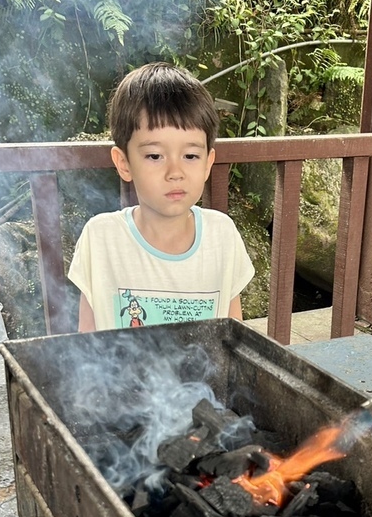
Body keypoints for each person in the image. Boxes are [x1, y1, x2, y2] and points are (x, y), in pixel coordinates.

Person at [68, 62, 254, 332]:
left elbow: (234, 340)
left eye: (190, 156)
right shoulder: (101, 239)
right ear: (124, 163)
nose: (175, 172)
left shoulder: (221, 236)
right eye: (155, 156)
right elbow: (86, 343)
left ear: (207, 163)